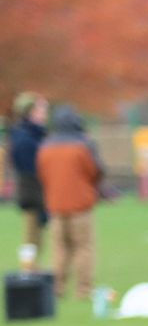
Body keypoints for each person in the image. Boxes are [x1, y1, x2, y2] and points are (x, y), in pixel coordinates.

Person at [35, 105, 104, 301]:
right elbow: (95, 171)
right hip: (80, 205)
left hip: (56, 205)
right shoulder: (83, 145)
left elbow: (42, 175)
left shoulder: (45, 147)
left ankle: (57, 289)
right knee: (83, 247)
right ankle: (83, 290)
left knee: (59, 249)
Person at [9, 93, 48, 269]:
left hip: (36, 190)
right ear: (31, 111)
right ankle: (28, 270)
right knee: (31, 235)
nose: (45, 112)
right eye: (41, 108)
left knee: (36, 235)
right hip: (32, 191)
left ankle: (32, 268)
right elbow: (31, 168)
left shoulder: (33, 134)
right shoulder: (25, 137)